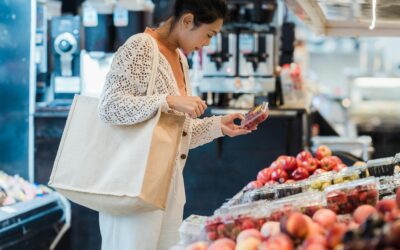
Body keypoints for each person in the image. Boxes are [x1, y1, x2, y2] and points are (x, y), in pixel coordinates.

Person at [97, 0, 255, 249]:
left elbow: (178, 135)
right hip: (133, 187)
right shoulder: (141, 46)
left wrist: (218, 126)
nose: (207, 44)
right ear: (187, 21)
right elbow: (109, 107)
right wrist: (168, 100)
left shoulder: (181, 60)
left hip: (168, 188)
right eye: (209, 34)